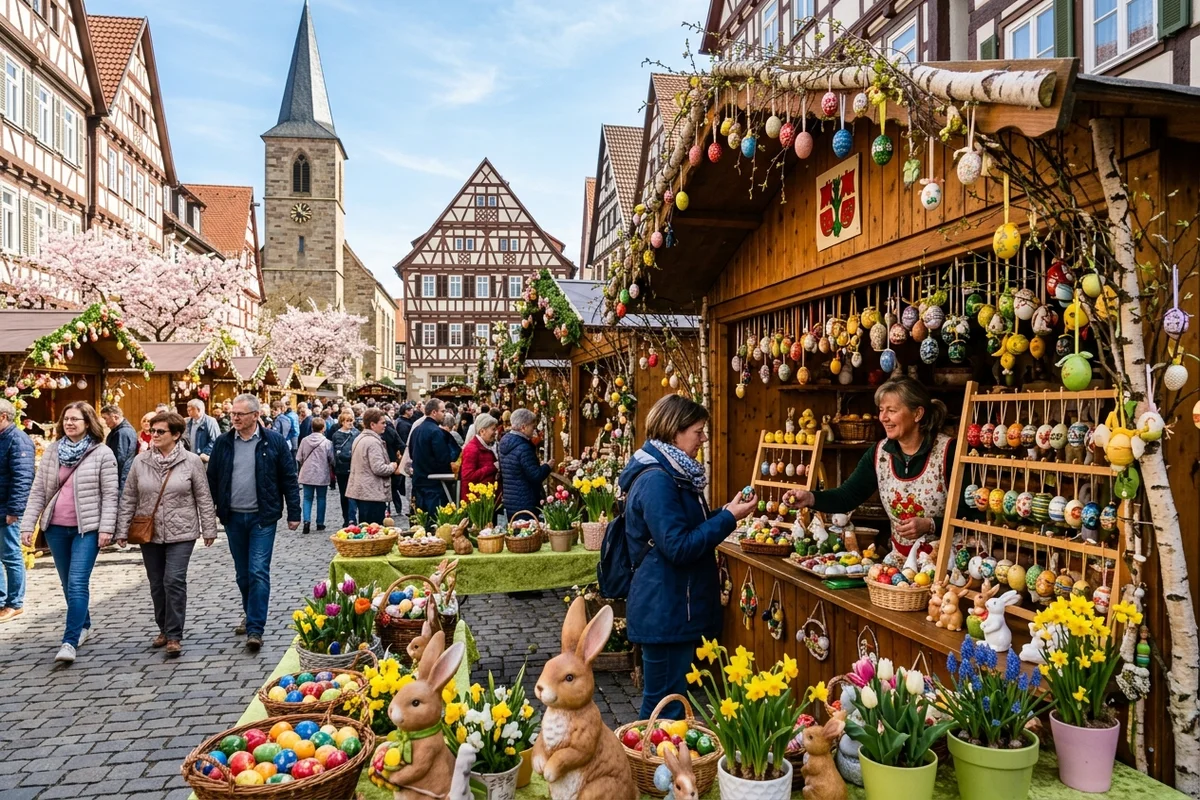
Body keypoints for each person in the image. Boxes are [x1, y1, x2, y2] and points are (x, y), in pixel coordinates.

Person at [619, 395, 758, 718]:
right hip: (665, 607)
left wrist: (722, 512)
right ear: (674, 432)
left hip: (668, 603)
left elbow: (680, 529)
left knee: (667, 701)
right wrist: (729, 519)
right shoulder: (658, 480)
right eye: (698, 431)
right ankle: (649, 767)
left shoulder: (672, 473)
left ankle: (656, 766)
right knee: (663, 706)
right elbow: (678, 546)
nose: (704, 439)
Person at [784, 376, 953, 559]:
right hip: (902, 564)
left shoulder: (947, 452)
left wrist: (931, 524)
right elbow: (847, 496)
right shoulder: (880, 454)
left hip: (947, 564)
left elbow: (972, 515)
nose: (883, 418)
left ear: (917, 414)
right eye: (881, 410)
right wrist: (810, 498)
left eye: (892, 410)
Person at [20, 402, 120, 663]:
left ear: (88, 423)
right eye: (66, 419)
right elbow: (39, 491)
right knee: (67, 583)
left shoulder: (102, 453)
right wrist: (28, 525)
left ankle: (69, 640)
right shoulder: (53, 451)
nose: (69, 423)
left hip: (86, 529)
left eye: (75, 419)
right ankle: (84, 624)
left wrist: (107, 528)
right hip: (55, 528)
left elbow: (110, 495)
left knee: (77, 582)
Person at [116, 411, 217, 657]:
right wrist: (121, 529)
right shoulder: (141, 461)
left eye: (160, 431)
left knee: (174, 580)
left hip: (182, 531)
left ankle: (174, 635)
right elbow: (129, 496)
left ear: (176, 434)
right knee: (157, 583)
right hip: (149, 531)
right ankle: (162, 627)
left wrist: (209, 527)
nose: (154, 435)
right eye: (152, 431)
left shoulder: (191, 461)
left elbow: (203, 496)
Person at [207, 394, 301, 651]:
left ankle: (255, 628)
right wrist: (213, 510)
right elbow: (212, 478)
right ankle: (250, 613)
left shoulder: (275, 442)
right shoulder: (224, 443)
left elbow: (289, 478)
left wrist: (294, 512)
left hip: (263, 516)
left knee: (258, 570)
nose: (234, 418)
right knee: (243, 574)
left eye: (240, 414)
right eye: (233, 414)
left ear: (256, 416)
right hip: (233, 517)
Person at [0, 399, 33, 623]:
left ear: (3, 417)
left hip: (7, 509)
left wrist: (14, 510)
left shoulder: (18, 440)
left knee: (11, 556)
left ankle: (15, 603)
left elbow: (22, 478)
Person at [498, 408, 552, 520]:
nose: (534, 430)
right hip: (525, 499)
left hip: (510, 499)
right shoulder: (524, 448)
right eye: (532, 426)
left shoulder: (504, 442)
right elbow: (535, 475)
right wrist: (547, 466)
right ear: (523, 427)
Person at [347, 408, 399, 525]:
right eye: (382, 423)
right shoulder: (373, 442)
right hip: (372, 493)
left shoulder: (360, 438)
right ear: (372, 424)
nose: (385, 426)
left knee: (366, 528)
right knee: (373, 530)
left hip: (364, 491)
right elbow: (379, 468)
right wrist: (392, 466)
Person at [408, 399, 457, 514]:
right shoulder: (436, 432)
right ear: (434, 412)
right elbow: (443, 459)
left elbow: (411, 453)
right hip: (434, 485)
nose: (444, 414)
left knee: (421, 521)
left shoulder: (416, 430)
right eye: (443, 411)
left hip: (418, 482)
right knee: (434, 523)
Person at [297, 416, 335, 533]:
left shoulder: (304, 440)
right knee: (321, 498)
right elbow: (332, 459)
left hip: (307, 473)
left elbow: (299, 457)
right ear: (323, 428)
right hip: (321, 473)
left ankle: (306, 521)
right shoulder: (327, 443)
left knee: (307, 498)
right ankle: (320, 523)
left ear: (312, 428)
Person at [459, 413, 499, 501]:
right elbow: (468, 476)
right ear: (482, 431)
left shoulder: (487, 446)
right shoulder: (472, 449)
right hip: (476, 502)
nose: (495, 433)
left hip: (484, 499)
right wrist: (493, 467)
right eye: (493, 429)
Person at [100, 404, 138, 497]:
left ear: (115, 417)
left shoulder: (122, 433)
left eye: (105, 418)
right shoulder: (120, 431)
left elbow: (119, 459)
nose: (105, 422)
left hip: (121, 479)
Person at [330, 409, 360, 525]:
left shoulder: (356, 433)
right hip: (342, 469)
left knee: (353, 493)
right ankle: (346, 518)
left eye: (351, 420)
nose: (350, 423)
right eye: (348, 421)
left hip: (354, 468)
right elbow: (336, 452)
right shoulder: (337, 435)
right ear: (342, 421)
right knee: (344, 494)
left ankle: (352, 517)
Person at [184, 399, 220, 463]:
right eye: (187, 408)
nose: (188, 411)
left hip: (204, 460)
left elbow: (216, 440)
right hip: (190, 459)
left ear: (199, 410)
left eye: (191, 409)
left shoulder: (210, 421)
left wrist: (204, 454)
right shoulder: (187, 422)